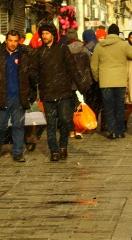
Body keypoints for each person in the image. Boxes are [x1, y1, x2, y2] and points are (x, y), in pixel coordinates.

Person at [29, 23, 89, 160]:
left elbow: (72, 69)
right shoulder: (38, 52)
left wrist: (81, 85)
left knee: (64, 121)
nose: (44, 36)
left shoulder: (63, 49)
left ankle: (63, 146)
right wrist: (36, 78)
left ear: (53, 35)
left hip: (64, 92)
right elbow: (33, 70)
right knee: (51, 124)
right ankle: (54, 151)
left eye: (47, 33)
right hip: (48, 93)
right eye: (42, 34)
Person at [91, 24, 132, 139]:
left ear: (108, 33)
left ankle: (112, 131)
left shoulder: (99, 46)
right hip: (120, 81)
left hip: (105, 82)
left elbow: (93, 65)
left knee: (108, 107)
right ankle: (120, 131)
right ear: (118, 33)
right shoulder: (123, 45)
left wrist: (98, 78)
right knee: (120, 106)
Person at [0, 30, 32, 162]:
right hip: (2, 95)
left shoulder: (25, 54)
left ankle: (18, 152)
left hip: (19, 96)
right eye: (11, 40)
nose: (13, 44)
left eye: (15, 41)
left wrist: (31, 93)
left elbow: (31, 75)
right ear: (6, 40)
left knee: (18, 125)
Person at [82, 30, 105, 133]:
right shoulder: (99, 45)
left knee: (91, 103)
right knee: (102, 102)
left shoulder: (88, 45)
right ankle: (104, 124)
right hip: (101, 78)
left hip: (90, 79)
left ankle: (92, 123)